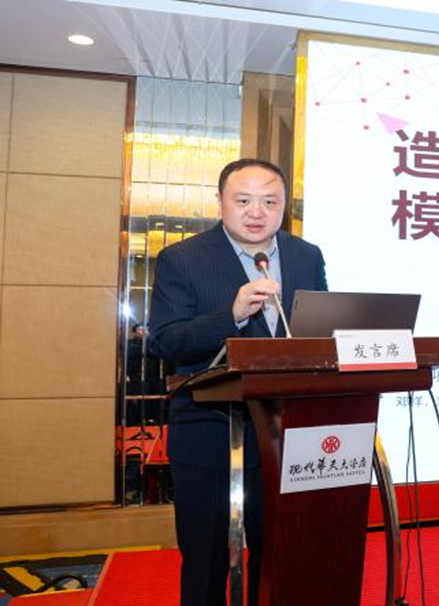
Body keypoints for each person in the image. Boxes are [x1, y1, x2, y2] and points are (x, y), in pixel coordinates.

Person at [150, 158, 327, 606]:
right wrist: (230, 315)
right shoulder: (182, 259)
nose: (256, 212)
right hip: (210, 431)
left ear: (284, 206)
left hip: (286, 435)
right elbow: (168, 341)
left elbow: (318, 334)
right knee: (207, 563)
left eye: (270, 202)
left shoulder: (306, 255)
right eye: (243, 200)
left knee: (281, 556)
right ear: (220, 202)